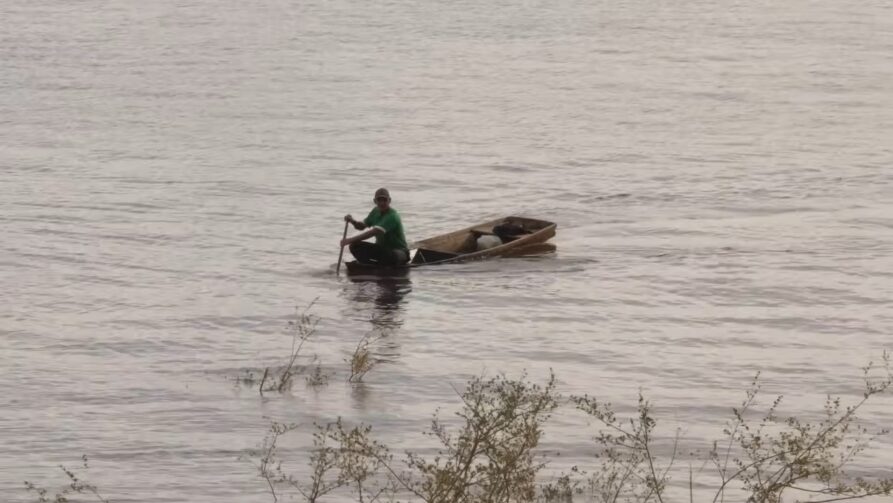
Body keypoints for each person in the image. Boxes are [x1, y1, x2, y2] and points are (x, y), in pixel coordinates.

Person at [341, 188, 409, 266]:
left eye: (384, 200)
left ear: (389, 200)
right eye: (379, 200)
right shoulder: (375, 211)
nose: (382, 203)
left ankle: (377, 266)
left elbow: (374, 232)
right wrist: (352, 221)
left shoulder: (392, 216)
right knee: (354, 246)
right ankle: (368, 265)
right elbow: (361, 227)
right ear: (375, 201)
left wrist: (349, 240)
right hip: (383, 249)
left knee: (388, 255)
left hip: (399, 253)